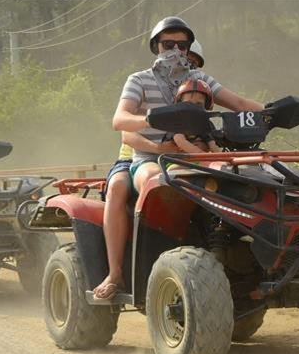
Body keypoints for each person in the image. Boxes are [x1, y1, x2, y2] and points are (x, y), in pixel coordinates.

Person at [93, 16, 264, 300]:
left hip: (197, 159)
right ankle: (116, 272)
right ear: (156, 47)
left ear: (189, 48)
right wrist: (151, 120)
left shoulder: (200, 80)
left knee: (245, 178)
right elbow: (119, 120)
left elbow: (240, 104)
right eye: (167, 43)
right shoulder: (139, 80)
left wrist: (273, 112)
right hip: (151, 157)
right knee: (149, 181)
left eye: (182, 45)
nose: (175, 50)